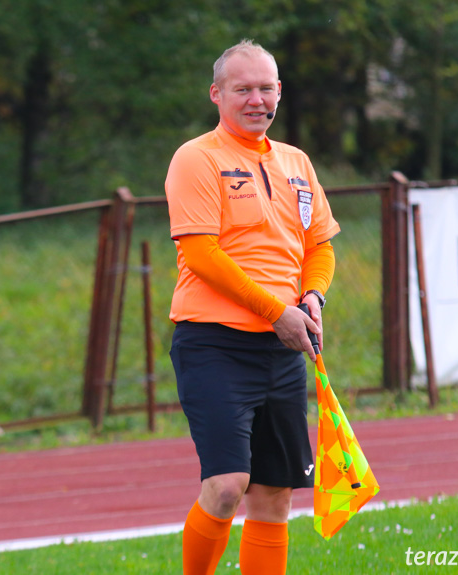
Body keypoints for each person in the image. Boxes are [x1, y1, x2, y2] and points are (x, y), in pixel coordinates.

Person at [165, 39, 340, 575]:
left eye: (266, 88)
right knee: (225, 487)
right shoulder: (197, 157)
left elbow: (320, 247)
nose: (255, 99)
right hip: (214, 343)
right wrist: (276, 311)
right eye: (242, 89)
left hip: (283, 346)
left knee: (274, 496)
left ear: (280, 92)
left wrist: (311, 297)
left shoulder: (296, 162)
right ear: (216, 94)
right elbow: (201, 253)